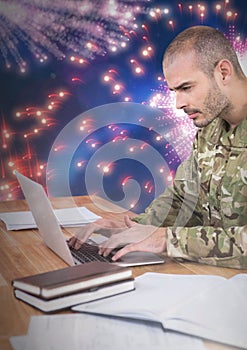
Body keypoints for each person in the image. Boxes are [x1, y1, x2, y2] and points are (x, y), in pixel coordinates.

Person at [69, 25, 247, 269]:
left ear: (223, 72)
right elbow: (183, 198)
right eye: (174, 91)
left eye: (186, 88)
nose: (179, 103)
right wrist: (136, 226)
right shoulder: (211, 128)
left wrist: (167, 239)